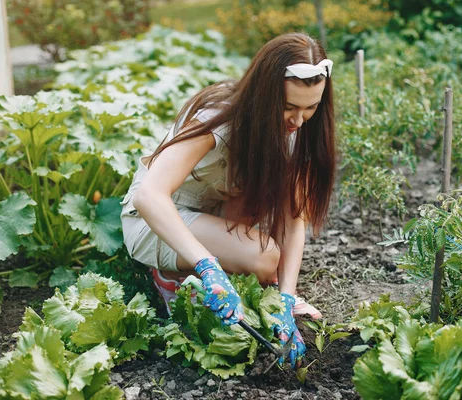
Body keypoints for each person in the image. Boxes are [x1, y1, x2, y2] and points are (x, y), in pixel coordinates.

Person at [120, 32, 336, 368]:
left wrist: (286, 298)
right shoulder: (216, 121)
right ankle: (170, 276)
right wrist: (208, 266)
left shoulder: (294, 135)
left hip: (210, 217)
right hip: (156, 222)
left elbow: (295, 224)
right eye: (289, 107)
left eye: (311, 108)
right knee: (265, 256)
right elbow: (150, 195)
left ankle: (227, 276)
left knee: (267, 251)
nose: (298, 121)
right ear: (264, 96)